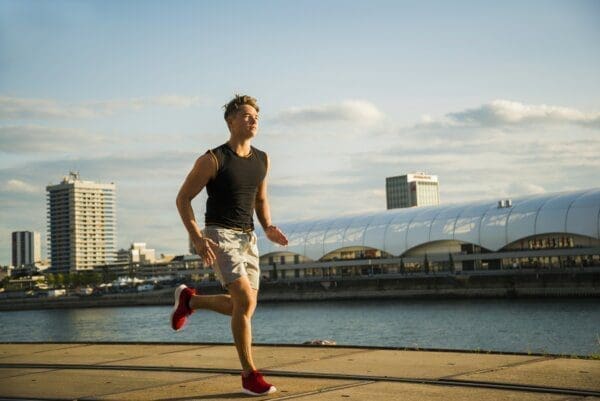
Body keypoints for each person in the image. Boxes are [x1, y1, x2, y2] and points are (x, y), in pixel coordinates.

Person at [172, 94, 288, 396]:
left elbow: (260, 199)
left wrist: (268, 227)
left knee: (246, 306)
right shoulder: (213, 159)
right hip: (219, 235)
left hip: (248, 238)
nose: (253, 120)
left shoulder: (263, 159)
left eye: (257, 117)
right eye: (247, 115)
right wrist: (197, 238)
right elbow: (183, 199)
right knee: (245, 303)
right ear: (231, 121)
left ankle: (190, 301)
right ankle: (250, 375)